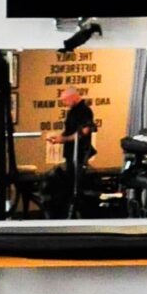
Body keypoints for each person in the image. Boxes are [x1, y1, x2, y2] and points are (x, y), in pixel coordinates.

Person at [44, 86, 98, 215]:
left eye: (65, 100)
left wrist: (64, 139)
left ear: (73, 97)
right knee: (69, 179)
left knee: (77, 182)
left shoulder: (85, 111)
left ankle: (78, 209)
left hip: (80, 152)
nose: (64, 103)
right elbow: (70, 131)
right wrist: (59, 138)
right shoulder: (72, 112)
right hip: (70, 152)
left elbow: (83, 132)